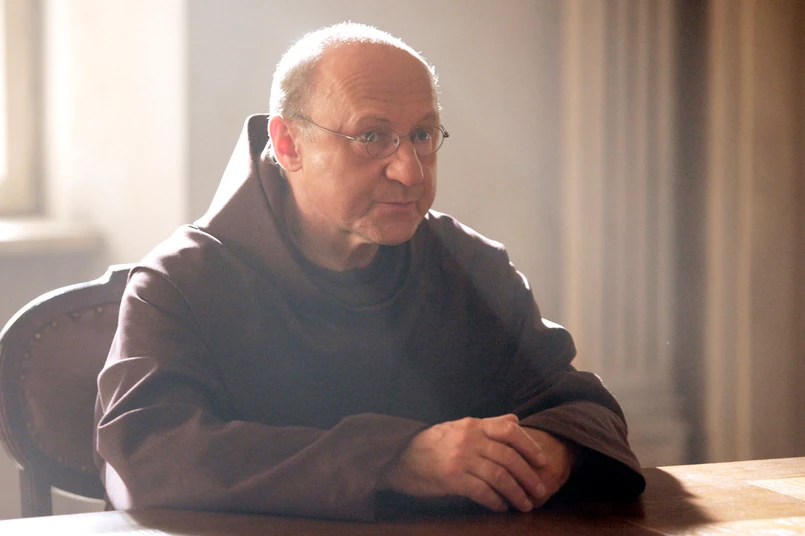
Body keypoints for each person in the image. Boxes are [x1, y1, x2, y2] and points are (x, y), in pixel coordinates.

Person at [94, 22, 645, 522]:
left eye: (423, 135)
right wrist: (397, 460)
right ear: (288, 144)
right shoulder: (179, 283)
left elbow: (580, 407)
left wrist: (553, 450)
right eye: (372, 137)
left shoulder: (469, 265)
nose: (410, 172)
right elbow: (148, 458)